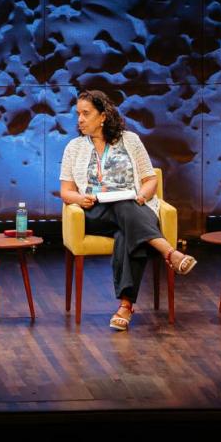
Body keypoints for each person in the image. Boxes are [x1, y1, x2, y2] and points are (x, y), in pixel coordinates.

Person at [59, 90, 196, 331]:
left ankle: (125, 306)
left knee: (126, 229)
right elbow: (66, 191)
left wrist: (143, 196)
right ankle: (170, 253)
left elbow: (150, 179)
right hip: (95, 212)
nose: (80, 119)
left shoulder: (129, 140)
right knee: (124, 209)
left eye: (86, 113)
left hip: (133, 207)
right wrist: (81, 198)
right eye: (78, 114)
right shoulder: (74, 147)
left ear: (103, 116)